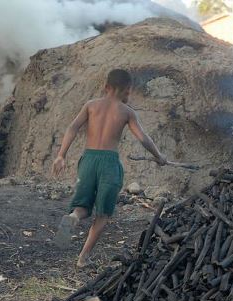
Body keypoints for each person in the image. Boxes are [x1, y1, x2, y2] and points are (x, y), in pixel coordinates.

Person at [51, 69, 167, 268]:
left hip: (88, 160)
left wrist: (61, 155)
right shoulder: (126, 111)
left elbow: (72, 128)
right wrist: (159, 156)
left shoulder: (91, 105)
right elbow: (143, 138)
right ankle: (83, 258)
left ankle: (73, 217)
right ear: (127, 90)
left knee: (82, 207)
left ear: (106, 87)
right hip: (109, 163)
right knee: (103, 214)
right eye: (128, 91)